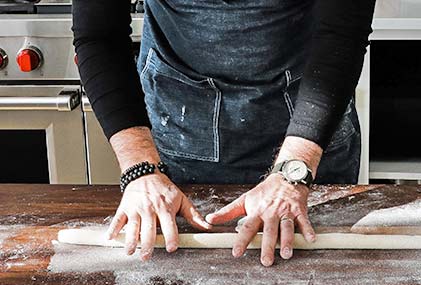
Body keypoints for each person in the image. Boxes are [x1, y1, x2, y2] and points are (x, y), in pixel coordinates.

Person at [72, 0, 376, 266]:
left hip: (309, 133)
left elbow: (341, 34)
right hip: (180, 137)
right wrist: (140, 169)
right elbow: (100, 36)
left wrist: (293, 172)